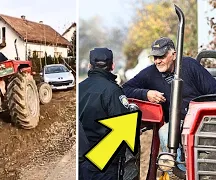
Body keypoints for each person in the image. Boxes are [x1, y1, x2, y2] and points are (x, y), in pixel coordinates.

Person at [122, 37, 216, 173]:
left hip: (202, 121)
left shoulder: (190, 66)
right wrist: (146, 93)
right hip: (177, 123)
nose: (157, 61)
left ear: (174, 55)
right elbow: (125, 89)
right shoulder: (150, 73)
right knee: (165, 132)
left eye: (161, 56)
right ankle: (179, 171)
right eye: (155, 57)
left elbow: (213, 91)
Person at [79, 48, 136, 180]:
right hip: (103, 165)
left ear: (89, 65)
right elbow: (124, 130)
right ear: (112, 66)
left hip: (81, 160)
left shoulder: (80, 88)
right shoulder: (113, 91)